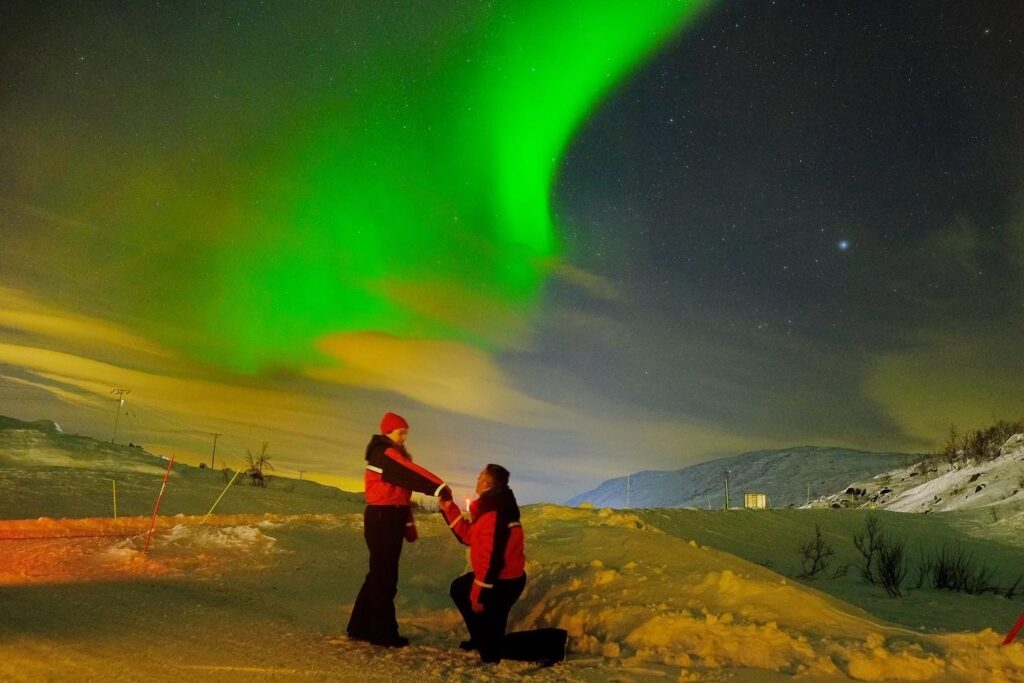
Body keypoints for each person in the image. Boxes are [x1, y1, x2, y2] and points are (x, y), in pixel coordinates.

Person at [347, 412, 450, 647]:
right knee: (385, 577)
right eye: (400, 432)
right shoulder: (384, 455)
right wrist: (439, 487)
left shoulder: (393, 456)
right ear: (388, 432)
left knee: (377, 574)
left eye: (405, 433)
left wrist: (407, 525)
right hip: (382, 519)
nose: (404, 437)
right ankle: (382, 633)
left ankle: (360, 627)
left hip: (390, 518)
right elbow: (411, 475)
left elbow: (400, 497)